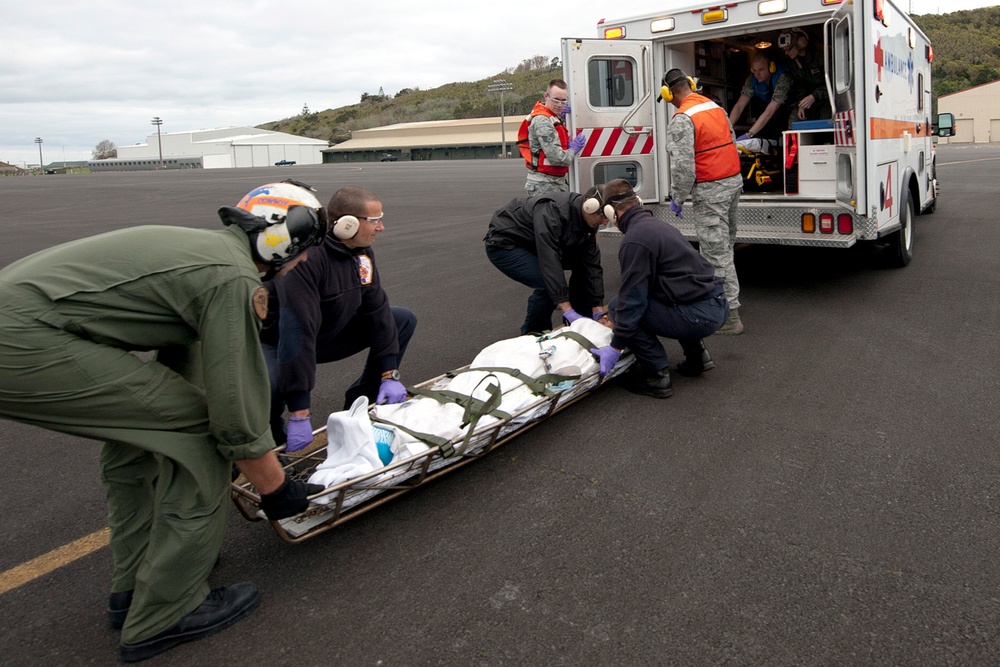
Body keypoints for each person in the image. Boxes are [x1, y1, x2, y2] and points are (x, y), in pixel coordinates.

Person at [0, 180, 328, 662]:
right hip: (22, 341)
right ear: (284, 236)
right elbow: (233, 414)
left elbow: (190, 365)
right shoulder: (233, 277)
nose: (302, 262)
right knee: (201, 436)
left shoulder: (206, 254)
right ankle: (166, 610)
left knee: (145, 439)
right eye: (305, 251)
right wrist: (276, 488)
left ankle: (137, 587)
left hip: (20, 330)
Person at [261, 186, 417, 453]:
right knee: (270, 387)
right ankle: (272, 439)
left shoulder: (362, 254)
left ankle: (360, 404)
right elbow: (297, 330)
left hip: (324, 334)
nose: (381, 228)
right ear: (347, 224)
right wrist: (300, 411)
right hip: (277, 343)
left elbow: (376, 310)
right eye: (375, 220)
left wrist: (389, 373)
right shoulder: (307, 259)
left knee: (400, 319)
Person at [589, 179, 730, 398]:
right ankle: (698, 358)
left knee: (619, 306)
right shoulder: (658, 226)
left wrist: (615, 347)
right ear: (637, 202)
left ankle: (657, 376)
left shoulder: (635, 240)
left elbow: (632, 300)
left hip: (699, 316)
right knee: (659, 294)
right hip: (717, 305)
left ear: (611, 212)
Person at [661, 68, 745, 335]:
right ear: (691, 84)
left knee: (715, 252)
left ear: (669, 93)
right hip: (733, 183)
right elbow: (731, 141)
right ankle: (726, 301)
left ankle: (730, 317)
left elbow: (684, 168)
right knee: (726, 245)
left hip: (711, 192)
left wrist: (677, 197)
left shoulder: (682, 117)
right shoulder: (715, 108)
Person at [484, 187, 611, 335]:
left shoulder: (589, 222)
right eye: (602, 217)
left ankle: (582, 324)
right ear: (589, 208)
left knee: (584, 266)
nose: (605, 222)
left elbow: (592, 266)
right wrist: (566, 308)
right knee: (547, 286)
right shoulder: (552, 211)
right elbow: (549, 257)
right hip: (506, 244)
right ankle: (534, 334)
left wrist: (597, 309)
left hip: (535, 242)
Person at [517, 78, 587, 195]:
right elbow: (558, 159)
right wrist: (573, 150)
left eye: (563, 101)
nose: (559, 105)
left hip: (553, 183)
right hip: (544, 185)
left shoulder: (552, 117)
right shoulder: (542, 121)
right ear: (546, 96)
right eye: (556, 100)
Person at [728, 52, 794, 142]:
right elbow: (740, 105)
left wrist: (749, 134)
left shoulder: (783, 77)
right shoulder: (751, 80)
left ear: (771, 67)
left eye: (761, 70)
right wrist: (728, 129)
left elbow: (770, 111)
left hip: (790, 108)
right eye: (754, 70)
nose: (757, 74)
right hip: (769, 111)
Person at [779, 28, 831, 123]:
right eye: (784, 50)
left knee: (826, 121)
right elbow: (800, 86)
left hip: (829, 99)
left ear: (800, 43)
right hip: (813, 100)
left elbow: (833, 83)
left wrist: (814, 96)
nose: (786, 53)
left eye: (788, 49)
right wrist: (801, 105)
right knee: (795, 120)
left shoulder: (821, 54)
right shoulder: (794, 63)